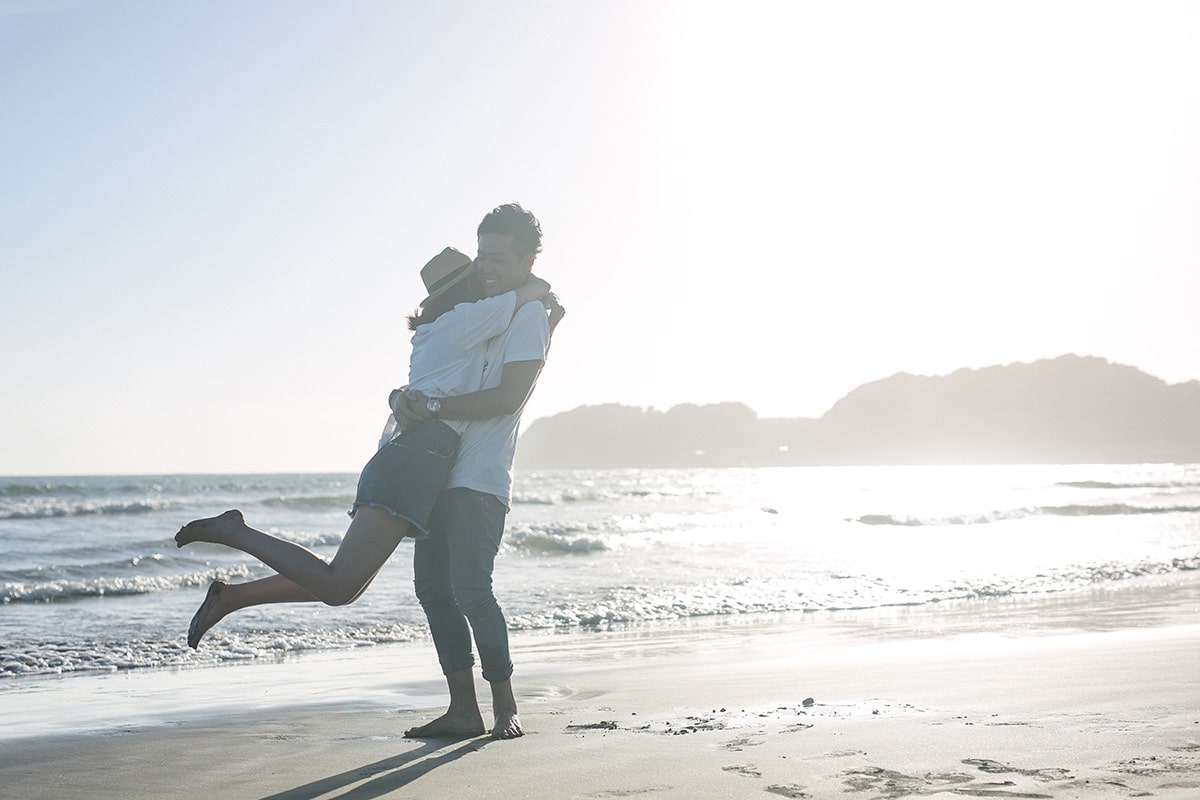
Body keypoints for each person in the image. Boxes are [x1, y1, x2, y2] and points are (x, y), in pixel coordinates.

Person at [174, 242, 554, 654]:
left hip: (408, 457)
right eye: (478, 275)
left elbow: (496, 364)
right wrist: (542, 292)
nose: (486, 280)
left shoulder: (439, 330)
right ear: (463, 291)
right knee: (339, 585)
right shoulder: (467, 319)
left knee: (345, 583)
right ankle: (236, 534)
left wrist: (399, 398)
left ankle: (234, 596)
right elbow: (536, 290)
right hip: (416, 460)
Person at [391, 203, 560, 742]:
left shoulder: (528, 315)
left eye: (499, 258)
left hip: (480, 474)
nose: (487, 266)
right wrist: (405, 398)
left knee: (470, 588)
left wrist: (435, 409)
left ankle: (505, 704)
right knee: (432, 592)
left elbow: (511, 396)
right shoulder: (476, 310)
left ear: (528, 259)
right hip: (436, 470)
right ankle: (462, 709)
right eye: (481, 256)